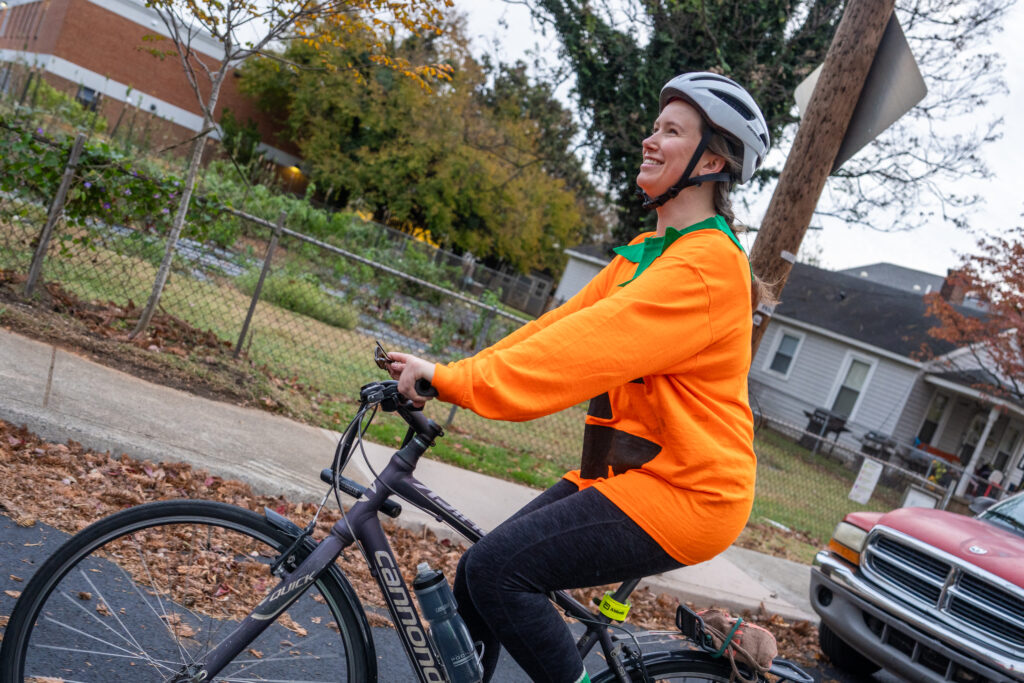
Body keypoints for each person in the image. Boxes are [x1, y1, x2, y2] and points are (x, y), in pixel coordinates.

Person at [386, 72, 773, 683]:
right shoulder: (648, 254)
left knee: (498, 571)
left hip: (691, 492)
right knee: (476, 578)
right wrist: (449, 373)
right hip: (636, 475)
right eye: (654, 127)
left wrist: (457, 382)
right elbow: (554, 329)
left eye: (671, 131)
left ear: (712, 160)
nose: (650, 140)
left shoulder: (707, 267)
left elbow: (583, 351)